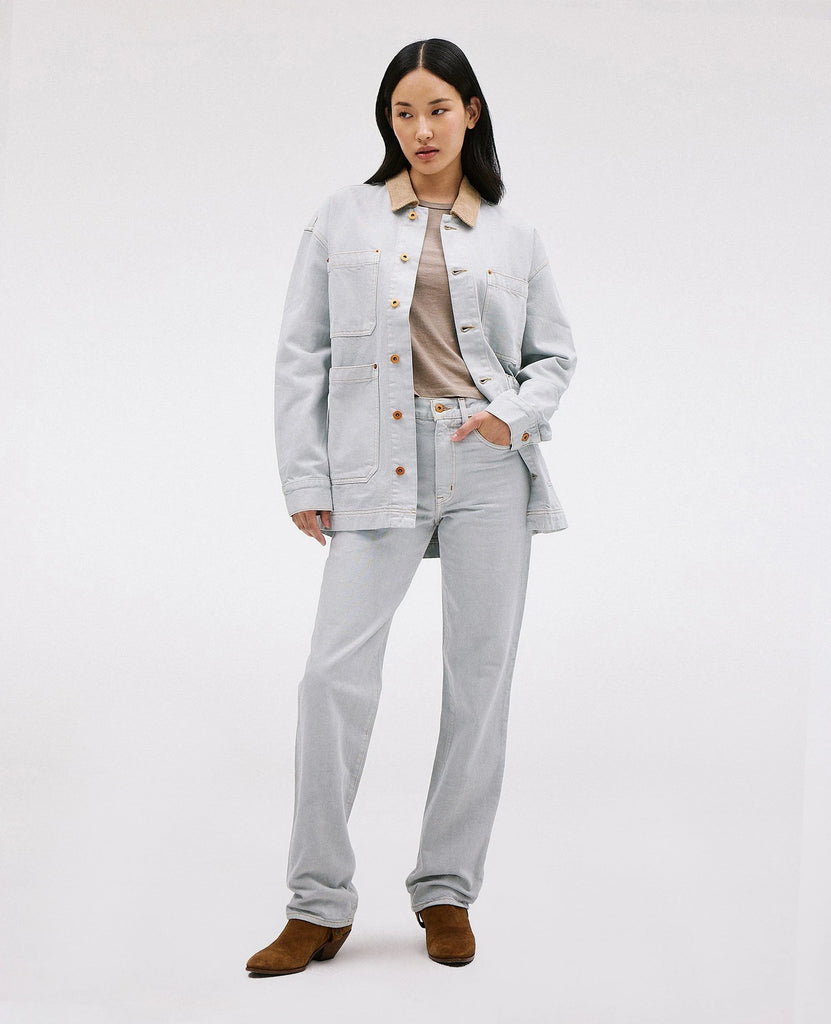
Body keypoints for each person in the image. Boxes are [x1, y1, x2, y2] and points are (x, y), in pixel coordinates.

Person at [246, 37, 576, 975]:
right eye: (402, 112)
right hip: (373, 465)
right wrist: (305, 478)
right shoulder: (342, 217)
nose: (420, 129)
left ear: (470, 112)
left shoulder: (513, 232)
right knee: (330, 679)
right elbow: (300, 352)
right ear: (386, 121)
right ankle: (317, 904)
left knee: (479, 680)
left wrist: (510, 417)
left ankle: (445, 890)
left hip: (486, 467)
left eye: (436, 109)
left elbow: (554, 356)